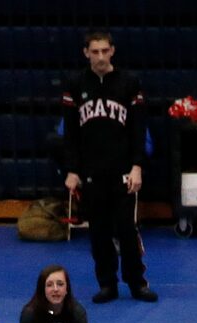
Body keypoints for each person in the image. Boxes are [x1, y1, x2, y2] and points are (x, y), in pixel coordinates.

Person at [61, 31, 158, 304]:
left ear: (113, 51)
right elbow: (70, 134)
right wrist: (72, 169)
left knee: (127, 229)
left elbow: (139, 129)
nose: (101, 57)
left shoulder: (129, 82)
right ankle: (107, 284)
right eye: (95, 52)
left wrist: (138, 166)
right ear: (86, 53)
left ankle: (137, 282)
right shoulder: (75, 84)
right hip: (92, 172)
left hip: (124, 170)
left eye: (105, 51)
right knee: (99, 232)